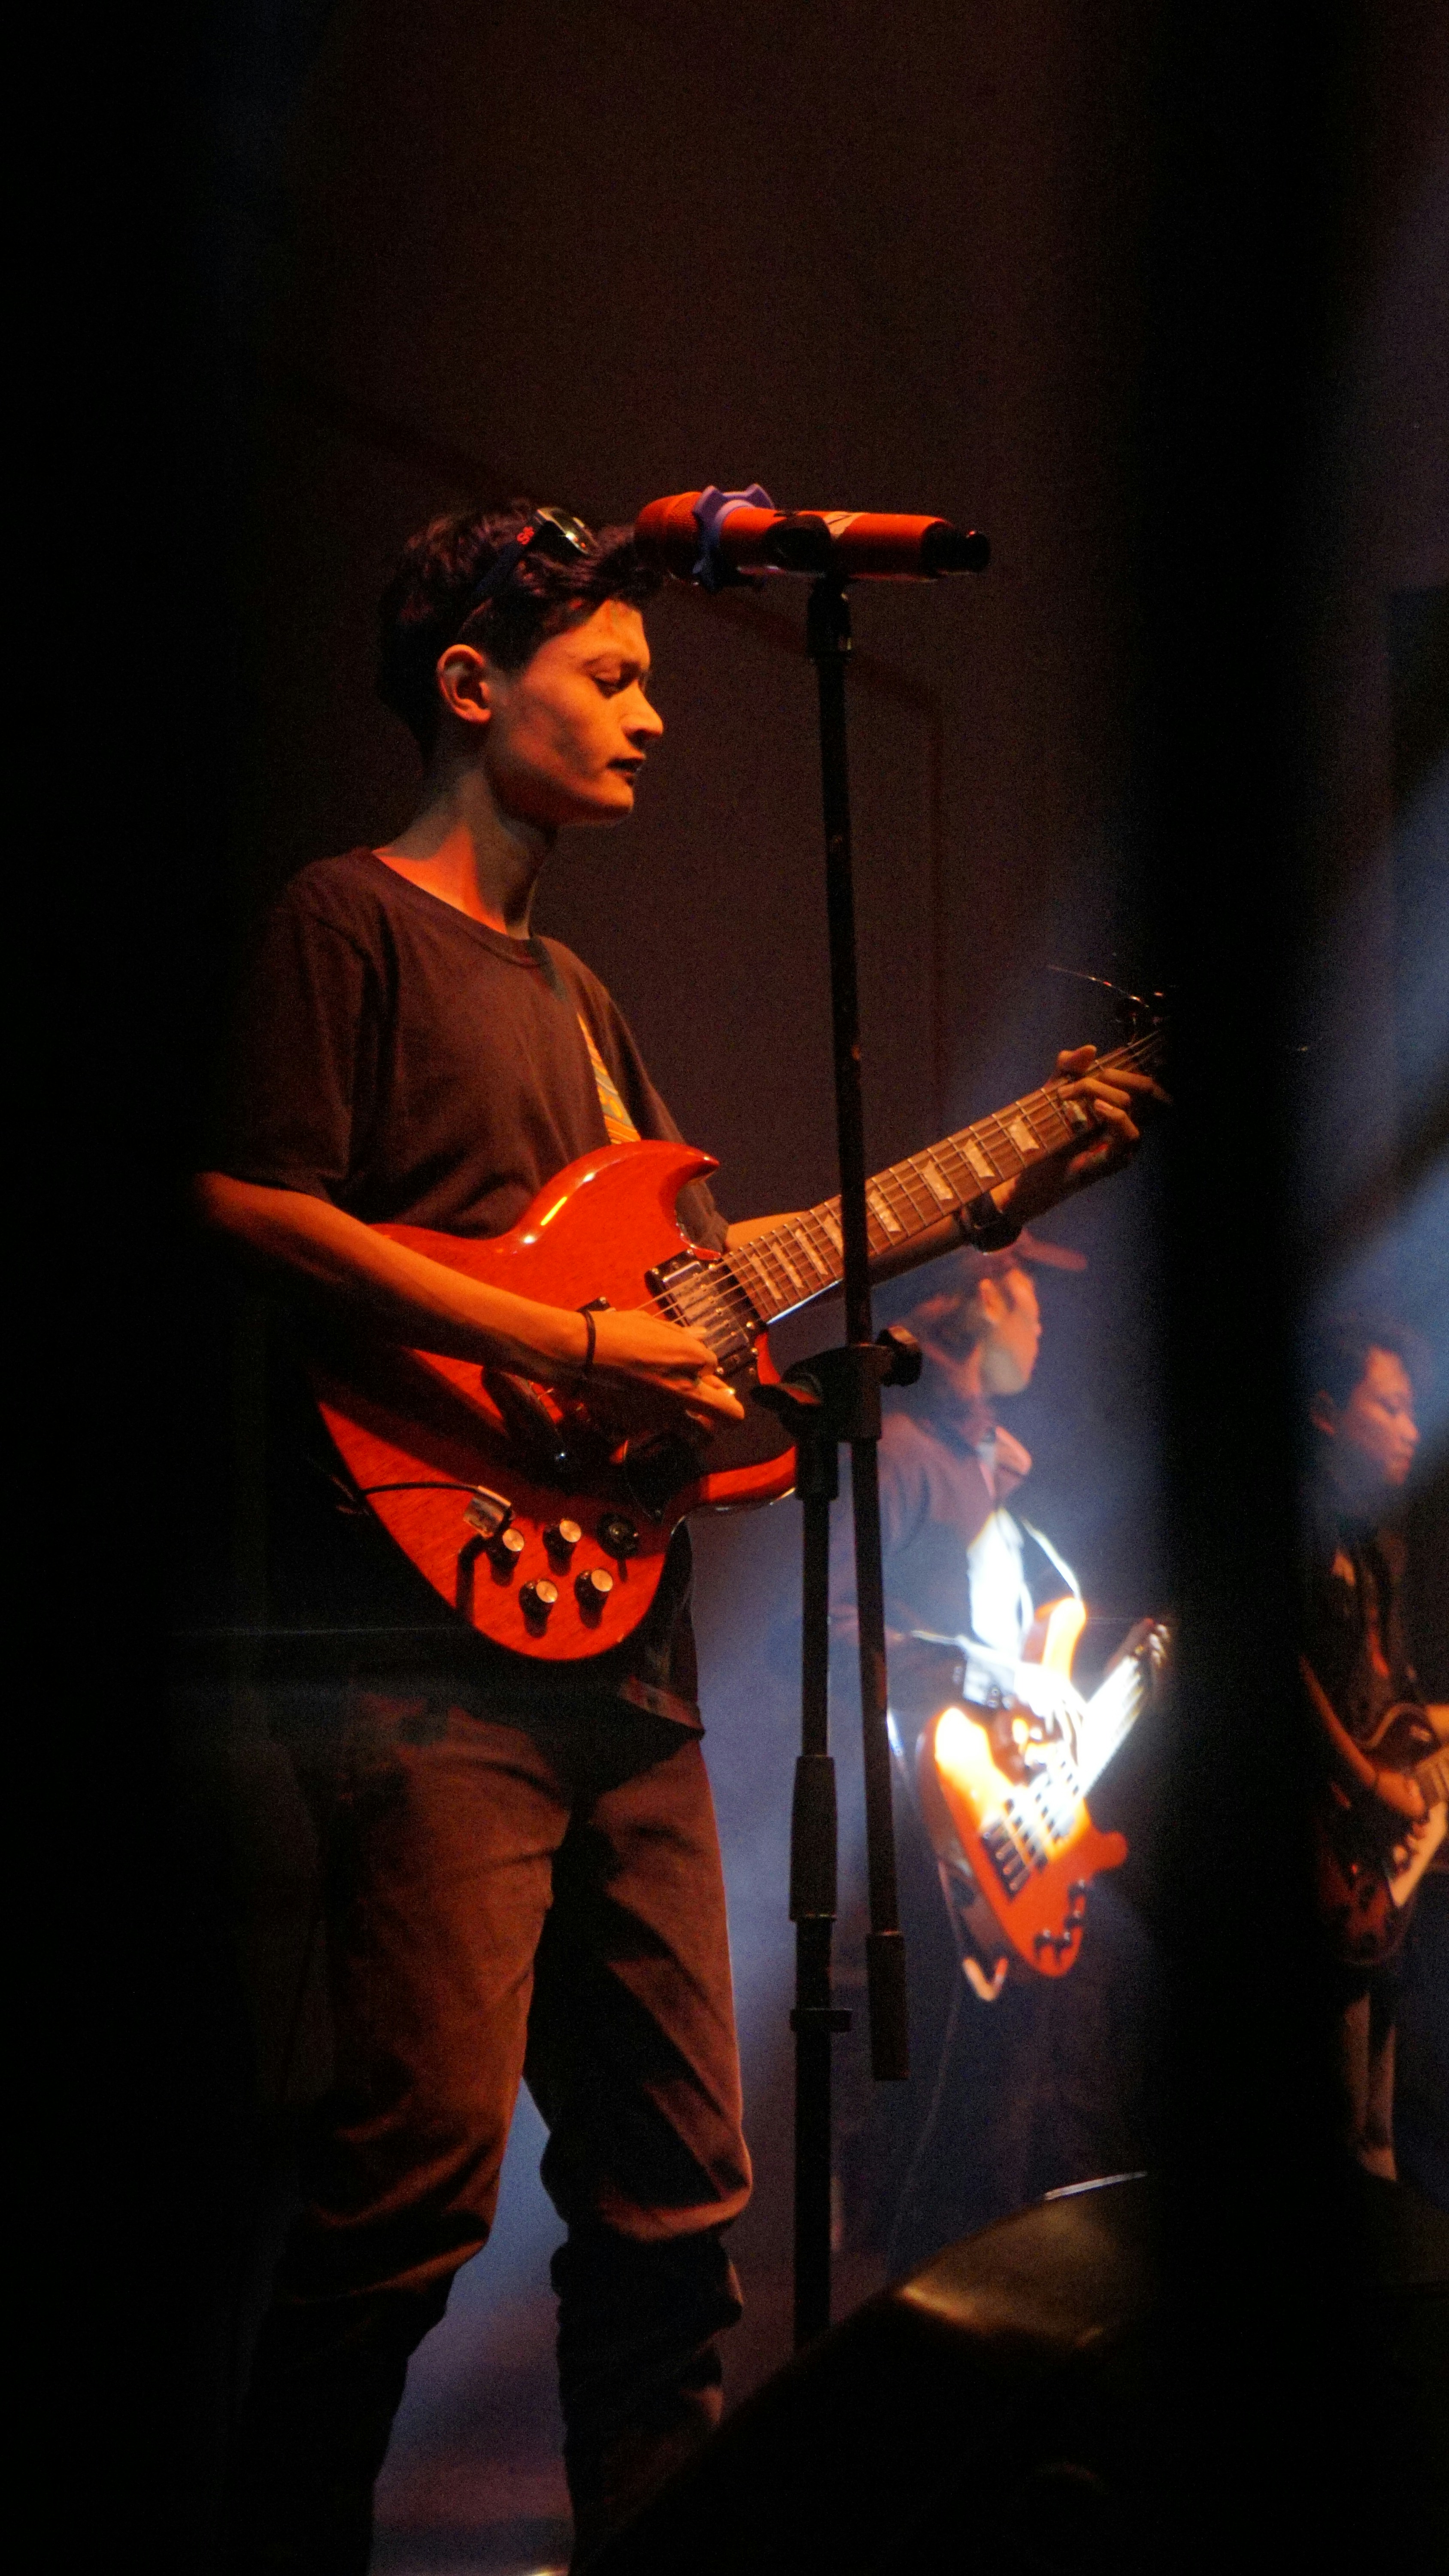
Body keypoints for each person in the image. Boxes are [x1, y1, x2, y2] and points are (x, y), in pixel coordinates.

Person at [196, 499, 1161, 2574]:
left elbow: (702, 1311)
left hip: (618, 1659)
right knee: (414, 2177)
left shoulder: (591, 1000)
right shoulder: (344, 925)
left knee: (677, 2188)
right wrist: (574, 1333)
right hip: (422, 1650)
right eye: (612, 675)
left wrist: (990, 1182)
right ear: (472, 687)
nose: (653, 717)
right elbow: (254, 1207)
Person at [1300, 1313, 1447, 2182]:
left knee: (1377, 2130)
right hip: (1328, 1855)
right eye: (1387, 1408)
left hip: (1379, 1871)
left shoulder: (1377, 1541)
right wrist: (1364, 1781)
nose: (1410, 1429)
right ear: (1324, 1413)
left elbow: (1386, 1697)